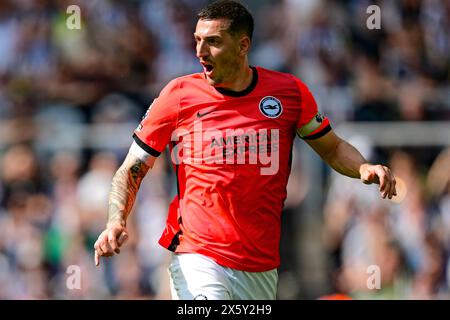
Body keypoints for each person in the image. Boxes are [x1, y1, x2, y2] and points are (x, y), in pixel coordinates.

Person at [93, 0, 397, 300]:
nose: (200, 52)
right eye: (197, 40)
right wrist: (115, 219)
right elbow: (132, 166)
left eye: (213, 42)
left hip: (259, 265)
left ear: (243, 45)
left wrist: (362, 168)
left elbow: (332, 149)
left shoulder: (288, 94)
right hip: (198, 255)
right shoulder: (179, 95)